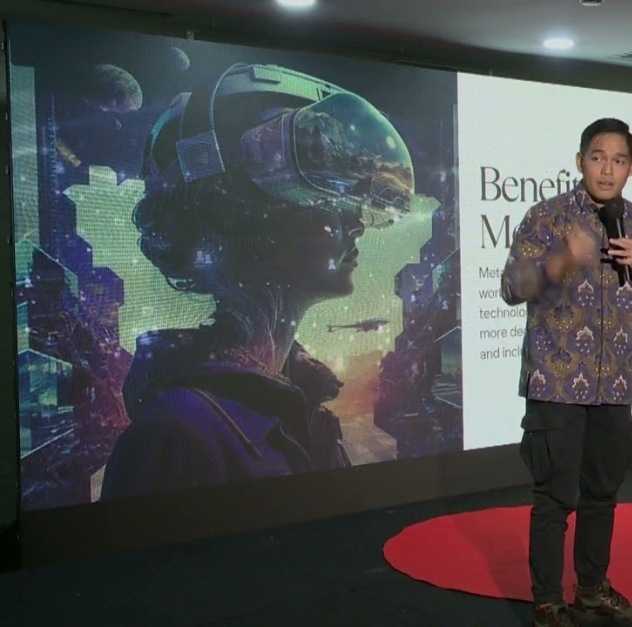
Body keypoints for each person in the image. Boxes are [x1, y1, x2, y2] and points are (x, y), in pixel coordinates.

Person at [101, 64, 414, 499]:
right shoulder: (179, 434)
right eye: (323, 200)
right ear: (231, 215)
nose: (356, 224)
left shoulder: (293, 401)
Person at [501, 118, 632, 627]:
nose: (607, 169)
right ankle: (548, 603)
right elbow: (511, 287)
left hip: (614, 386)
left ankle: (592, 591)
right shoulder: (547, 217)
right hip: (556, 386)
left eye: (618, 160)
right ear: (580, 161)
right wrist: (561, 262)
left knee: (602, 494)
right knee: (555, 497)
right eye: (598, 158)